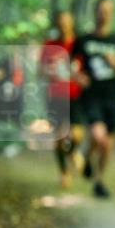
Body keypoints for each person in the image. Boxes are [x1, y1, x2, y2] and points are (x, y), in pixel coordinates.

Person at [72, 0, 115, 199]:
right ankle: (87, 157)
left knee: (108, 143)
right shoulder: (84, 40)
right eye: (101, 9)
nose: (104, 13)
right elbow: (69, 65)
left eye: (108, 10)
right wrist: (78, 76)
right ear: (95, 11)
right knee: (100, 137)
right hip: (91, 96)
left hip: (111, 97)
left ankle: (99, 180)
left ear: (112, 13)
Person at [40, 10, 84, 188]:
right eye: (60, 21)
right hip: (56, 96)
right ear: (57, 24)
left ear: (72, 23)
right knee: (59, 138)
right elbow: (40, 71)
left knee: (77, 135)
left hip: (76, 96)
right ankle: (64, 172)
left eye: (67, 21)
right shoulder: (50, 45)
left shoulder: (80, 45)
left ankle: (73, 152)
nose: (63, 25)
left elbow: (87, 70)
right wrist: (52, 71)